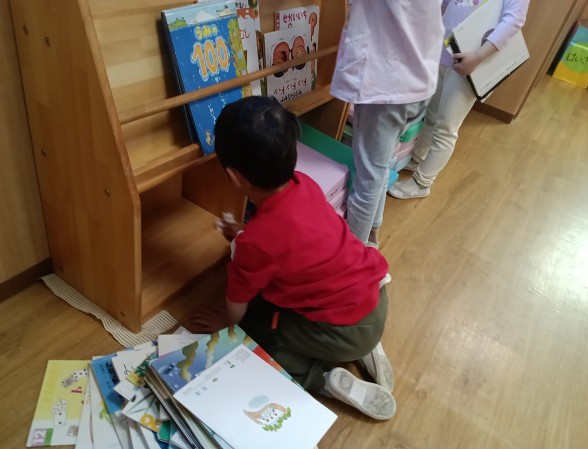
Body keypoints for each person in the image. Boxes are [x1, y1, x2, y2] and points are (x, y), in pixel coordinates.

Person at [208, 96, 396, 421]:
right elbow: (289, 237)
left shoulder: (256, 244)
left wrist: (226, 328)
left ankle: (320, 378)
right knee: (284, 302)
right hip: (374, 297)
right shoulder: (305, 185)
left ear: (235, 178)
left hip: (345, 331)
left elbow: (237, 303)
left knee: (257, 330)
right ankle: (366, 347)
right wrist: (243, 233)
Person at [388, 0, 530, 200]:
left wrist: (478, 57)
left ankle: (422, 183)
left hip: (468, 65)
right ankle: (418, 158)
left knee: (446, 129)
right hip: (443, 53)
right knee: (431, 115)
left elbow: (513, 21)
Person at [330, 0, 444, 247]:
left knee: (368, 179)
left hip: (386, 85)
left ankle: (353, 257)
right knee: (380, 166)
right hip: (419, 79)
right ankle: (372, 236)